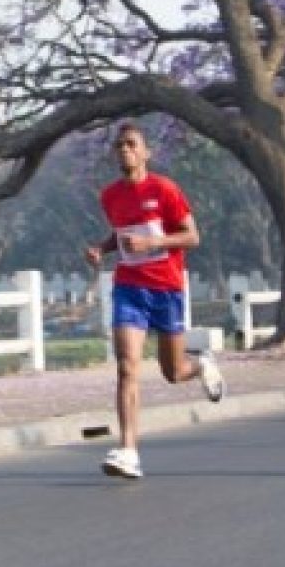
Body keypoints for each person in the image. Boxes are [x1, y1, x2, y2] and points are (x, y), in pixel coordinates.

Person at [85, 121, 222, 480]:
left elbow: (192, 237)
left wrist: (152, 244)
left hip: (167, 289)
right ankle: (128, 450)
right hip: (129, 288)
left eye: (132, 144)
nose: (125, 150)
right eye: (119, 146)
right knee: (127, 366)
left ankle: (202, 364)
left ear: (146, 152)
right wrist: (102, 247)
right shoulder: (110, 196)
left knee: (174, 373)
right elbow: (120, 235)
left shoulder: (165, 190)